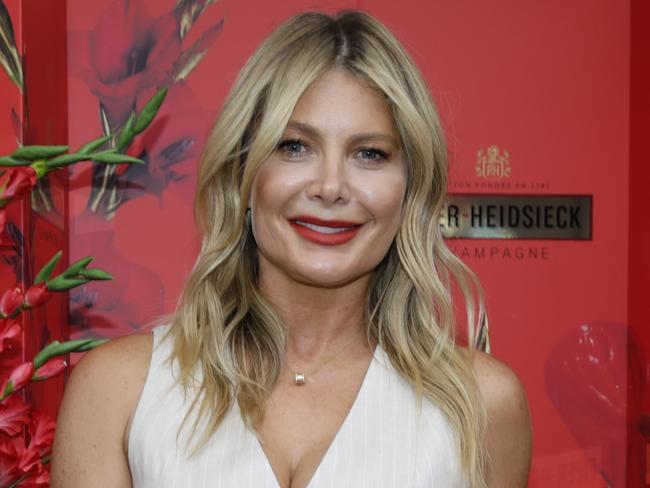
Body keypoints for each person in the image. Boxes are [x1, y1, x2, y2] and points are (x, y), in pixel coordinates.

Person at [51, 9, 532, 488]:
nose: (330, 186)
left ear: (410, 190)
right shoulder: (119, 391)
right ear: (243, 172)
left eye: (370, 153)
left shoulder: (481, 404)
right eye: (294, 146)